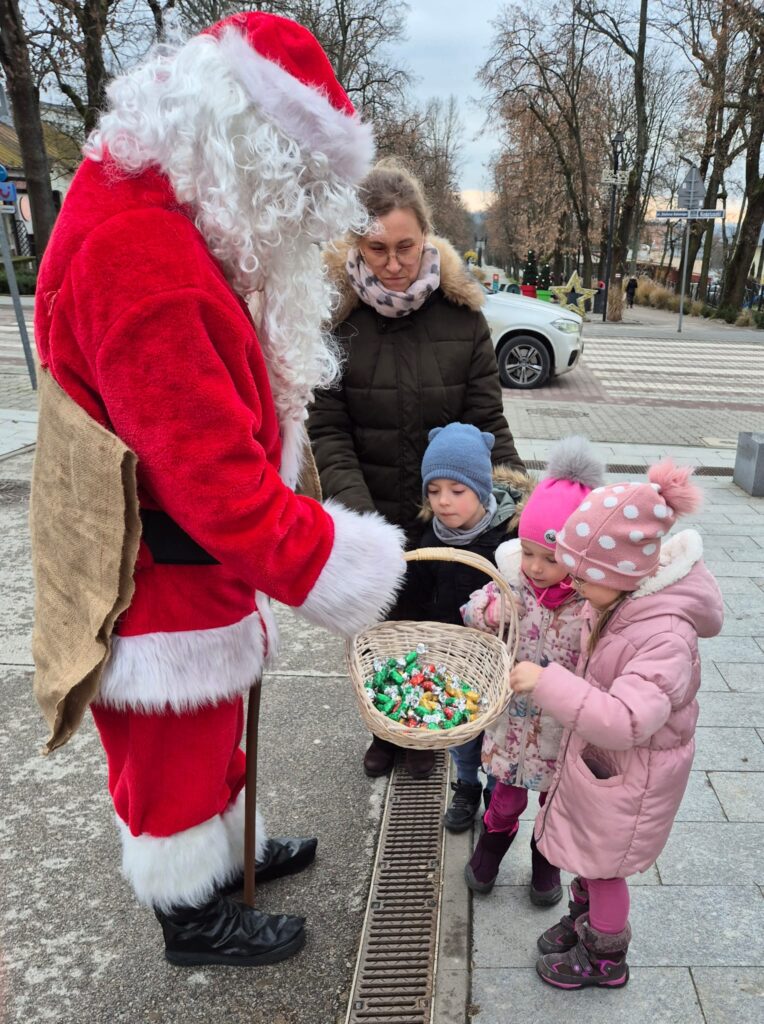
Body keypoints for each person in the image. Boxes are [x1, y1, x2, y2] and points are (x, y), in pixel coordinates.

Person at [30, 12, 407, 968]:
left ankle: (229, 849)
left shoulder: (167, 200)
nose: (305, 217)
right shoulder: (143, 254)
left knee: (213, 726)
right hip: (154, 563)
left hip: (180, 553)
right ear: (258, 152)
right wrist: (336, 561)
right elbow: (214, 484)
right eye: (302, 189)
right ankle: (191, 912)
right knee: (172, 749)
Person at [307, 160, 525, 780]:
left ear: (427, 237)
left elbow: (487, 419)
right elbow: (327, 428)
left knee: (443, 621)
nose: (394, 263)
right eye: (377, 249)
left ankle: (431, 730)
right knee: (383, 626)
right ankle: (386, 725)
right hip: (371, 502)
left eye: (406, 246)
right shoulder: (336, 321)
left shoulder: (461, 318)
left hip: (448, 511)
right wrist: (360, 518)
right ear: (356, 244)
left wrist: (514, 504)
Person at [509, 461, 723, 990]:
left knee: (606, 868)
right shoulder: (621, 602)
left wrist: (548, 683)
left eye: (583, 577)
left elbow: (627, 720)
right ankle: (586, 921)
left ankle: (606, 955)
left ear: (622, 575)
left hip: (634, 776)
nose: (574, 586)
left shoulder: (664, 636)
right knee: (592, 854)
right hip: (608, 769)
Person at [460, 437, 604, 903]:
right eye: (528, 553)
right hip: (509, 724)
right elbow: (471, 609)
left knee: (554, 803)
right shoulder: (513, 582)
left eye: (550, 556)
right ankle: (491, 850)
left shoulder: (590, 605)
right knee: (503, 797)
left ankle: (546, 861)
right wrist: (492, 609)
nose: (536, 567)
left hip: (559, 731)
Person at [403, 422, 530, 830]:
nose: (443, 502)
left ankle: (496, 783)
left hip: (494, 657)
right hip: (449, 652)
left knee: (492, 724)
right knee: (459, 726)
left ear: (481, 488)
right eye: (434, 491)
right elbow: (417, 593)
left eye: (457, 491)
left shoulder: (504, 540)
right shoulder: (427, 535)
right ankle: (466, 784)